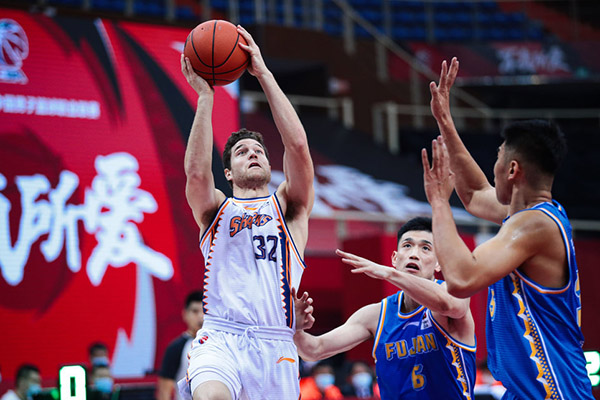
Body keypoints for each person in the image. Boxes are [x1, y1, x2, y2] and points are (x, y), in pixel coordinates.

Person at [422, 57, 594, 399]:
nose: (494, 168)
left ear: (513, 170)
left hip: (554, 391)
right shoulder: (532, 215)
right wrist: (445, 121)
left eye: (498, 159)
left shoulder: (535, 225)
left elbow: (461, 279)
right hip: (526, 390)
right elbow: (474, 194)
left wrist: (439, 202)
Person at [178, 24, 315, 400]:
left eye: (259, 151)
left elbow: (298, 147)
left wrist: (263, 74)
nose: (253, 154)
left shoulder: (289, 207)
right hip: (220, 336)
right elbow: (195, 174)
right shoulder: (215, 209)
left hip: (276, 344)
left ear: (270, 165)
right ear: (227, 173)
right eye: (242, 152)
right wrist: (205, 98)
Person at [294, 217, 477, 399]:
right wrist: (295, 326)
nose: (414, 254)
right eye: (407, 245)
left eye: (426, 248)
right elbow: (314, 350)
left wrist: (390, 274)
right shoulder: (375, 316)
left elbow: (451, 306)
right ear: (395, 259)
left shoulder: (453, 295)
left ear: (438, 263)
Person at [157, 291, 204, 400]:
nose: (200, 317)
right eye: (195, 311)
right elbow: (164, 393)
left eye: (204, 312)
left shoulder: (218, 345)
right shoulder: (175, 348)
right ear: (185, 314)